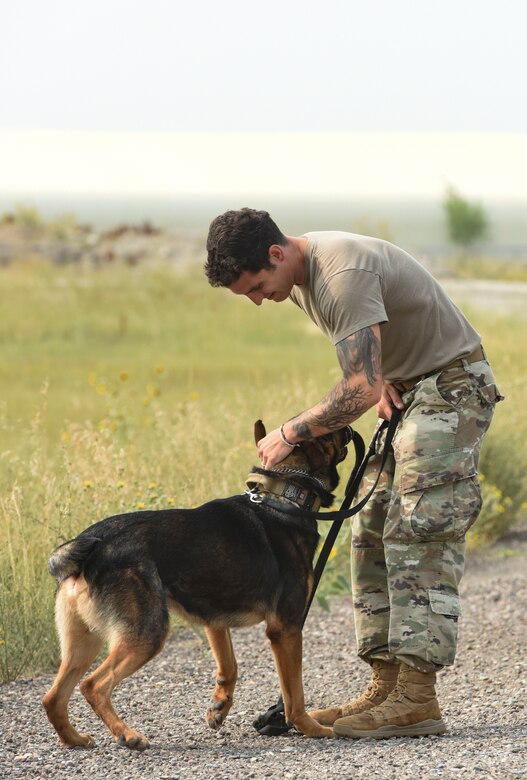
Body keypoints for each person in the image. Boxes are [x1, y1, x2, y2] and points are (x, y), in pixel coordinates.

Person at [204, 207, 503, 739]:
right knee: (368, 533)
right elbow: (369, 370)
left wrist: (291, 432)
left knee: (417, 530)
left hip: (452, 389)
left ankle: (416, 699)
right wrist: (384, 376)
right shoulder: (297, 280)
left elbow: (357, 389)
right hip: (411, 391)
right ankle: (386, 686)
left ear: (277, 253)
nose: (258, 299)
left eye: (256, 286)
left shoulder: (340, 273)